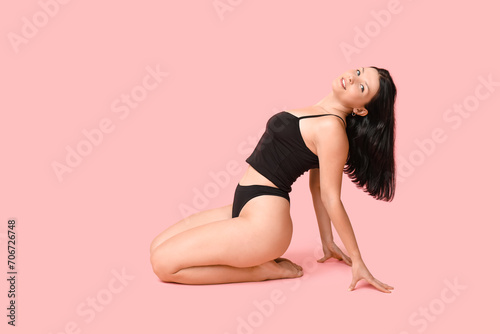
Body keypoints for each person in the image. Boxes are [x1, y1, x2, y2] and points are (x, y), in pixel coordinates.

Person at [150, 66, 396, 293]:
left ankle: (259, 271)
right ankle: (258, 263)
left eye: (362, 87)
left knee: (164, 265)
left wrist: (358, 259)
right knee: (156, 247)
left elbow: (330, 197)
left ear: (361, 110)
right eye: (360, 71)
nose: (353, 77)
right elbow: (316, 185)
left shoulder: (332, 130)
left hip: (265, 223)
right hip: (245, 206)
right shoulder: (320, 114)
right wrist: (327, 241)